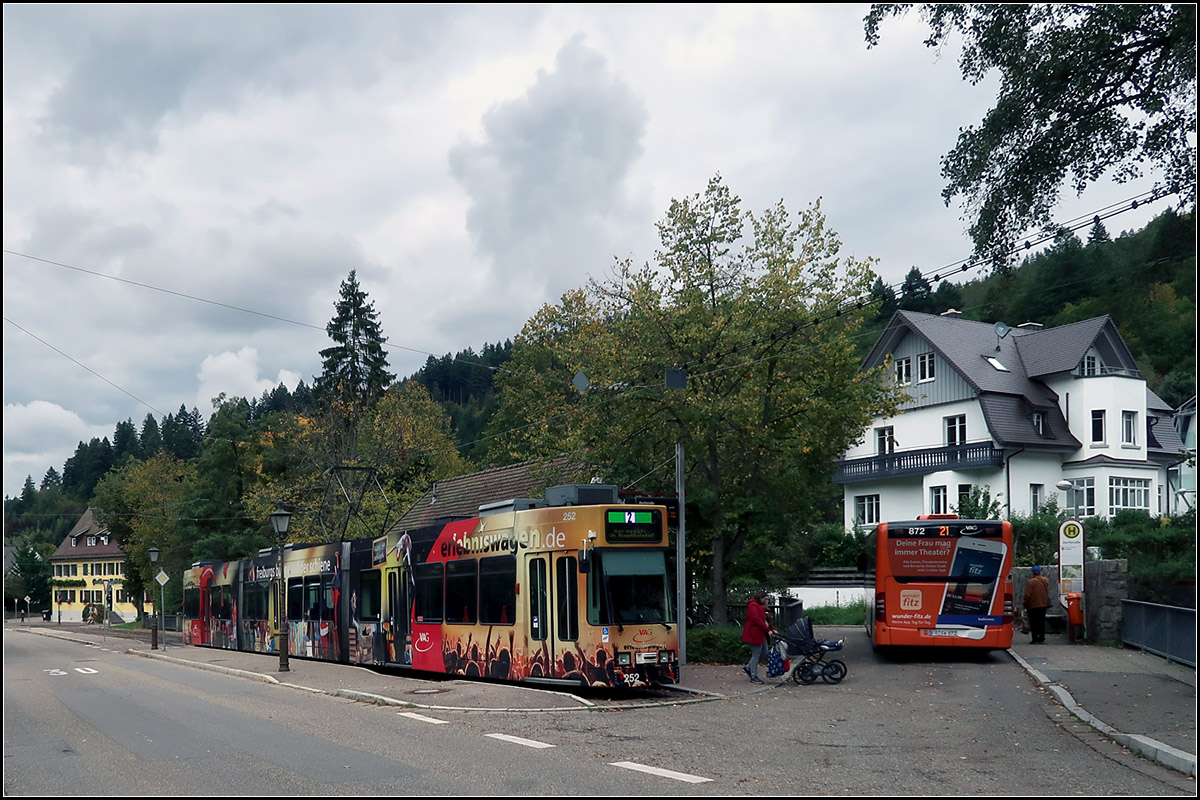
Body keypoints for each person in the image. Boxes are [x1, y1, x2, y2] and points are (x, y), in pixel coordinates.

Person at [741, 592, 775, 683]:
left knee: (764, 653)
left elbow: (766, 619)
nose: (765, 600)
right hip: (754, 633)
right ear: (760, 598)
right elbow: (757, 619)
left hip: (761, 633)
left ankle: (748, 667)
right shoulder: (753, 606)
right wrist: (767, 629)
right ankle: (753, 676)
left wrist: (771, 628)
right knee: (756, 655)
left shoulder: (762, 606)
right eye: (764, 598)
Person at [1023, 565, 1051, 644]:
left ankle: (1035, 638)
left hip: (1033, 605)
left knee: (1033, 622)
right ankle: (1042, 638)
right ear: (1040, 572)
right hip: (1043, 604)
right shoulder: (1045, 580)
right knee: (1041, 622)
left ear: (1032, 573)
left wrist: (1025, 603)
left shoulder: (1030, 582)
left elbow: (1027, 595)